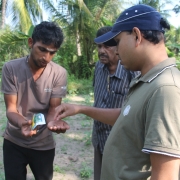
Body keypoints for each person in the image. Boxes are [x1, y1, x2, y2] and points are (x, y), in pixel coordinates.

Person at [54, 4, 180, 180]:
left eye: (118, 41)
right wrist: (80, 109)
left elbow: (165, 175)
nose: (117, 50)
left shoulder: (165, 89)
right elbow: (126, 118)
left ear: (136, 36)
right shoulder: (147, 81)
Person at [1, 21, 69, 180]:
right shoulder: (11, 68)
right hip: (14, 141)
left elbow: (53, 109)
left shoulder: (59, 73)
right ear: (31, 43)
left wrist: (53, 123)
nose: (46, 57)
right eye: (42, 50)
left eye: (52, 52)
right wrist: (22, 123)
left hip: (43, 144)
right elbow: (11, 109)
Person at [93, 26, 139, 180]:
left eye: (107, 46)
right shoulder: (98, 68)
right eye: (99, 46)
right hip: (99, 139)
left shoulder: (131, 71)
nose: (101, 51)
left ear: (118, 47)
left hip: (122, 145)